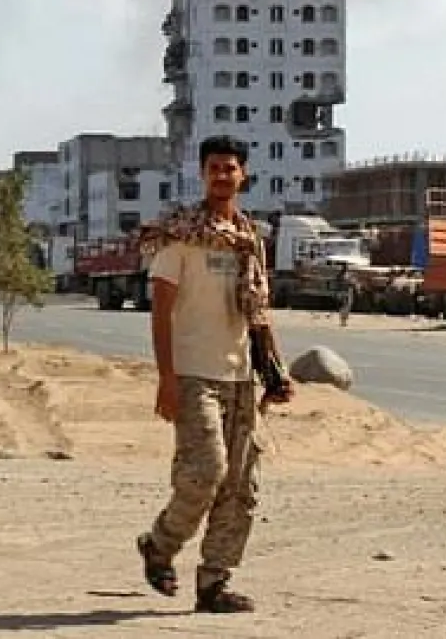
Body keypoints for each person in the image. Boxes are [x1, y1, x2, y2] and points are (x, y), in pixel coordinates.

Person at [134, 134, 293, 614]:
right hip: (192, 373)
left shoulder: (250, 240)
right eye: (214, 168)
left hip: (241, 375)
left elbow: (258, 311)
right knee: (206, 473)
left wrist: (275, 369)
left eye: (230, 168)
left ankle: (214, 582)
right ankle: (160, 545)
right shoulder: (180, 235)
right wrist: (166, 377)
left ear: (243, 174)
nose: (222, 175)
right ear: (202, 174)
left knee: (242, 486)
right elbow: (160, 311)